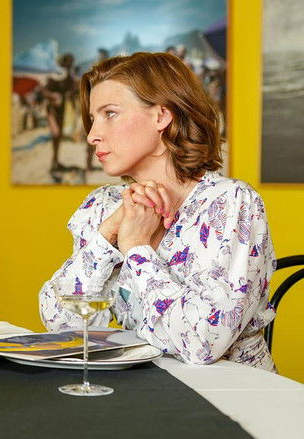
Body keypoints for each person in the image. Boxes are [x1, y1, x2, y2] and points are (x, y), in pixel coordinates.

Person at [38, 52, 276, 371]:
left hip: (234, 391)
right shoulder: (102, 206)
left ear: (161, 116)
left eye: (110, 113)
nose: (92, 135)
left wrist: (137, 248)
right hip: (142, 388)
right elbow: (62, 326)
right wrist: (106, 237)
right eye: (93, 118)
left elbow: (203, 344)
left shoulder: (230, 203)